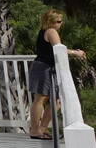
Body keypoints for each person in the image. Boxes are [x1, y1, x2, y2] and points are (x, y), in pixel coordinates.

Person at [27, 9, 84, 139]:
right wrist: (76, 53)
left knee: (56, 100)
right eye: (58, 21)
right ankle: (36, 130)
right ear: (50, 22)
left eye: (61, 21)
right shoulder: (51, 31)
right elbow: (59, 48)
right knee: (40, 99)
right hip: (44, 68)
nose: (61, 23)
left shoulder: (44, 32)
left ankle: (41, 128)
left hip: (47, 68)